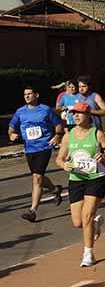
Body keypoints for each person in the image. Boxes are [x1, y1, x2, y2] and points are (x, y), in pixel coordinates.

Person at [56, 102, 105, 267]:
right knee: (77, 222)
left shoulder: (97, 134)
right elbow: (59, 159)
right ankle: (95, 224)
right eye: (73, 113)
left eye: (79, 113)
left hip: (95, 177)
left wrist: (104, 156)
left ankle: (88, 253)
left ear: (88, 115)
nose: (75, 116)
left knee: (86, 216)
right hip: (76, 179)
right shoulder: (69, 136)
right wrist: (64, 165)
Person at [9, 86, 64, 222]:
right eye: (25, 94)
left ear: (36, 95)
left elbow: (58, 125)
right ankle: (55, 189)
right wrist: (12, 135)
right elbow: (11, 128)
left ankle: (32, 211)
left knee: (37, 178)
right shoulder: (20, 112)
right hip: (29, 149)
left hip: (44, 147)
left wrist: (57, 136)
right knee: (38, 177)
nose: (27, 96)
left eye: (29, 94)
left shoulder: (45, 110)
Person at [77, 76, 105, 187]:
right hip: (82, 131)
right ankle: (90, 180)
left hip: (95, 131)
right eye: (79, 86)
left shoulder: (95, 96)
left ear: (89, 86)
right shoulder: (77, 97)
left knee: (99, 156)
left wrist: (90, 111)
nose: (81, 89)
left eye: (83, 86)